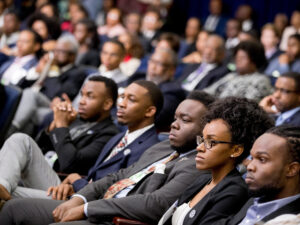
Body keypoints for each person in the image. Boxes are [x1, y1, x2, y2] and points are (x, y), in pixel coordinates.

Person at [0, 91, 215, 225]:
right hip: (89, 198)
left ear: (207, 129)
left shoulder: (197, 163)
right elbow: (118, 176)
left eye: (184, 120)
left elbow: (154, 203)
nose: (174, 124)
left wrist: (84, 205)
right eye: (175, 118)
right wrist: (79, 198)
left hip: (113, 217)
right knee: (12, 207)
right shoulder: (162, 146)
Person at [0, 79, 163, 201]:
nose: (121, 104)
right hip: (65, 186)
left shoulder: (120, 137)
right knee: (21, 139)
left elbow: (72, 166)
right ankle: (3, 184)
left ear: (149, 111)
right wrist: (54, 128)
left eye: (131, 100)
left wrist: (76, 181)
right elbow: (41, 148)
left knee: (12, 193)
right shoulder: (118, 137)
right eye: (122, 97)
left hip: (83, 201)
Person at [158, 97, 274, 225]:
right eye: (202, 139)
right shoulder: (202, 180)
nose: (199, 148)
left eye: (211, 142)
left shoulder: (234, 192)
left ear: (236, 150)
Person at [215, 126, 300, 224]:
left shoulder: (292, 220)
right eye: (252, 157)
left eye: (262, 159)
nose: (250, 166)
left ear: (291, 169)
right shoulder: (255, 197)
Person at [10, 35, 87, 134]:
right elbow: (19, 87)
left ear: (72, 56)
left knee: (30, 93)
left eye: (61, 51)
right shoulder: (48, 65)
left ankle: (11, 126)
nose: (55, 54)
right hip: (32, 104)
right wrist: (37, 71)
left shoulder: (77, 73)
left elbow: (56, 96)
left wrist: (53, 72)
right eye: (55, 50)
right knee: (30, 113)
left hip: (51, 105)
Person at [125, 48, 186, 132]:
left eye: (159, 64)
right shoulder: (138, 77)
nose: (153, 67)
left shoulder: (173, 91)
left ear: (171, 70)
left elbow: (156, 117)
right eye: (152, 61)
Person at [204, 40, 272, 102]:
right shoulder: (231, 76)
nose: (238, 60)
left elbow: (248, 105)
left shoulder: (261, 80)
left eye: (242, 57)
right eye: (237, 57)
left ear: (254, 61)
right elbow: (207, 92)